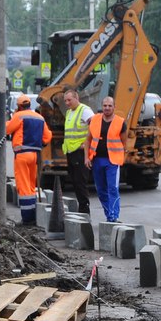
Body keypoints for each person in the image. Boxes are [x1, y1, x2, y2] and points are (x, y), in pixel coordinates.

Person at [5, 94, 51, 227]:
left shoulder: (19, 116)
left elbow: (7, 129)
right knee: (31, 186)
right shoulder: (40, 117)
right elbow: (48, 137)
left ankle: (27, 219)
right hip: (35, 156)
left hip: (22, 156)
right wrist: (40, 144)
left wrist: (10, 119)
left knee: (23, 187)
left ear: (19, 106)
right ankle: (33, 215)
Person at [86, 96, 125, 222]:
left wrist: (122, 156)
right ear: (102, 107)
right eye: (105, 106)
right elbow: (88, 139)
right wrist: (87, 157)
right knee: (101, 190)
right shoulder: (95, 120)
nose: (107, 108)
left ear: (114, 107)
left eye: (110, 106)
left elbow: (124, 142)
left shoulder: (120, 122)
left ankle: (114, 216)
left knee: (112, 188)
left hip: (112, 161)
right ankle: (109, 214)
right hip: (97, 160)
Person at [60, 86, 94, 215]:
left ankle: (84, 211)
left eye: (69, 100)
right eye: (65, 101)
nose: (67, 103)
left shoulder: (85, 110)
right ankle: (82, 210)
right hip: (71, 151)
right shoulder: (69, 112)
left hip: (80, 152)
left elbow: (94, 125)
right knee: (75, 181)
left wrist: (86, 144)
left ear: (76, 98)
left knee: (80, 183)